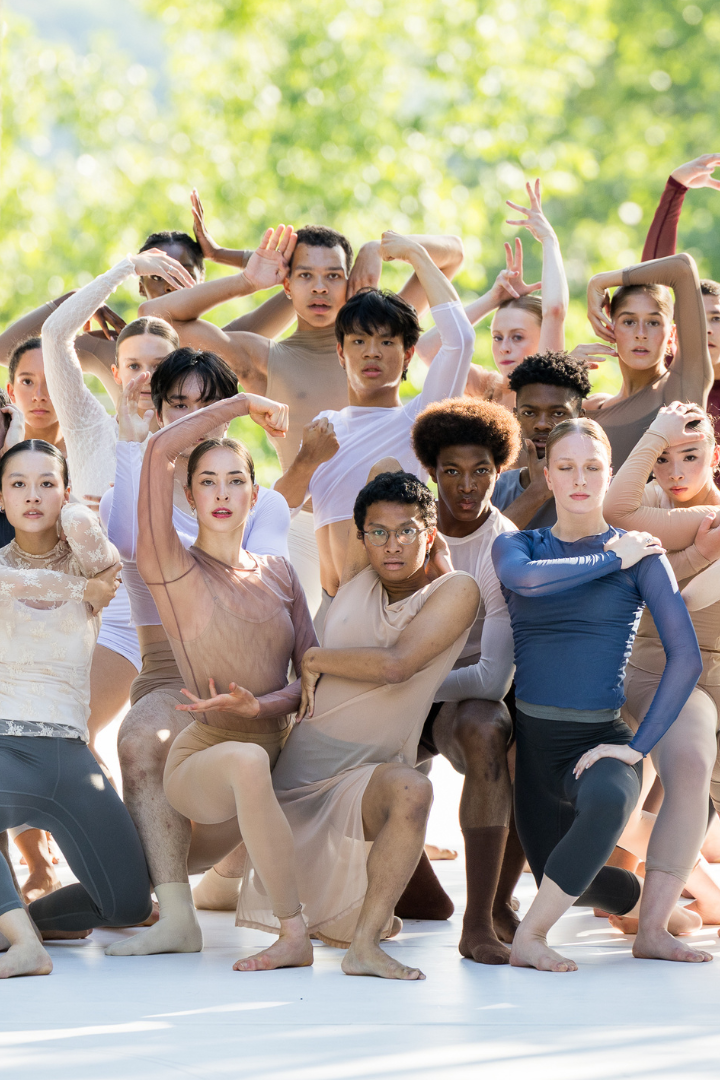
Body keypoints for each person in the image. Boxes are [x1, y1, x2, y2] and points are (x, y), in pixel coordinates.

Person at [193, 470, 479, 979]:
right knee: (202, 877)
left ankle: (364, 947)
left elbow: (397, 665)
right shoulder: (355, 573)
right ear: (361, 535)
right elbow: (381, 471)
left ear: (431, 534)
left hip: (365, 773)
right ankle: (196, 888)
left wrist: (318, 658)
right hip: (296, 771)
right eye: (378, 532)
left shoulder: (456, 590)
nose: (391, 544)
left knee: (413, 791)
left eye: (407, 530)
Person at [138, 220, 463, 616]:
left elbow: (453, 255)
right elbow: (156, 317)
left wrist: (378, 249)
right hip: (306, 531)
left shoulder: (383, 334)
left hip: (396, 537)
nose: (321, 288)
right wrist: (248, 280)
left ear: (350, 282)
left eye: (333, 275)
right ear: (287, 284)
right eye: (306, 275)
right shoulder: (264, 359)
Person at [105, 390, 314, 962]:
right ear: (190, 495)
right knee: (245, 763)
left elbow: (312, 675)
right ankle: (281, 934)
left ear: (254, 492)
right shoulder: (171, 566)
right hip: (208, 756)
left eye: (235, 481)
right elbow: (157, 455)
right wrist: (242, 402)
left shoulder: (280, 574)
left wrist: (265, 707)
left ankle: (213, 886)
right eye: (207, 482)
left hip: (274, 751)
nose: (222, 494)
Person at [492, 417, 702, 972]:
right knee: (568, 879)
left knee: (610, 800)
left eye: (592, 468)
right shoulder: (518, 545)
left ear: (609, 475)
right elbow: (528, 582)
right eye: (566, 467)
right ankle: (675, 911)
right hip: (536, 746)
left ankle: (531, 939)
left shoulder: (646, 556)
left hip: (599, 738)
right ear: (548, 475)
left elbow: (686, 656)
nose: (580, 479)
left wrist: (638, 748)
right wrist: (614, 557)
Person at [0, 439, 151, 979]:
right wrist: (77, 589)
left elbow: (100, 559)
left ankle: (18, 922)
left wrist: (75, 509)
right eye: (17, 484)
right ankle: (23, 946)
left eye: (47, 483)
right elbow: (13, 582)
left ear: (65, 494)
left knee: (127, 904)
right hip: (6, 748)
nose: (32, 495)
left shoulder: (90, 563)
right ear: (0, 498)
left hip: (70, 756)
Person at [275, 231, 475, 623]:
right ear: (340, 351)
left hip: (395, 608)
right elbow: (275, 514)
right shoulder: (323, 427)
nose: (371, 352)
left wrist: (416, 254)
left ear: (407, 356)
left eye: (386, 342)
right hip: (331, 609)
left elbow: (460, 340)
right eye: (359, 341)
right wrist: (305, 461)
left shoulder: (420, 419)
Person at [401, 397, 522, 964]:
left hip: (458, 692)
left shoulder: (506, 546)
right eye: (452, 471)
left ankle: (481, 921)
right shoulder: (404, 529)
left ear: (499, 473)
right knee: (424, 905)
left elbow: (494, 678)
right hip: (396, 693)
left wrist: (411, 682)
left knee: (489, 728)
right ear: (432, 472)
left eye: (481, 472)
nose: (467, 485)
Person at [604, 401, 720, 960]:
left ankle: (693, 890)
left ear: (714, 456)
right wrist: (655, 434)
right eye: (663, 459)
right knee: (691, 760)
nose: (675, 474)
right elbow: (615, 506)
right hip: (658, 666)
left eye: (691, 457)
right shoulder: (649, 505)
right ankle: (653, 929)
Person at [414, 180, 573, 410]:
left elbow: (555, 310)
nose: (504, 347)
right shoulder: (489, 389)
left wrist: (549, 240)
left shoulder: (548, 382)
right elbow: (427, 348)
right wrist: (492, 299)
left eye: (517, 337)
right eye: (498, 337)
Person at [584, 252, 713, 469]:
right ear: (610, 325)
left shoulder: (681, 387)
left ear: (671, 334)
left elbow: (682, 267)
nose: (641, 333)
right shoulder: (591, 407)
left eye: (653, 322)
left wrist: (599, 282)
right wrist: (562, 376)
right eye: (629, 321)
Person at [640, 153, 720, 445]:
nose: (706, 329)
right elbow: (651, 286)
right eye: (696, 319)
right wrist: (675, 188)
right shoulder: (665, 377)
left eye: (716, 318)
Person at [491, 351, 592, 529]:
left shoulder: (602, 488)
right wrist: (538, 491)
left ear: (581, 420)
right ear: (516, 418)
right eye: (529, 413)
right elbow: (481, 552)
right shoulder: (494, 488)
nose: (542, 424)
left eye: (558, 413)